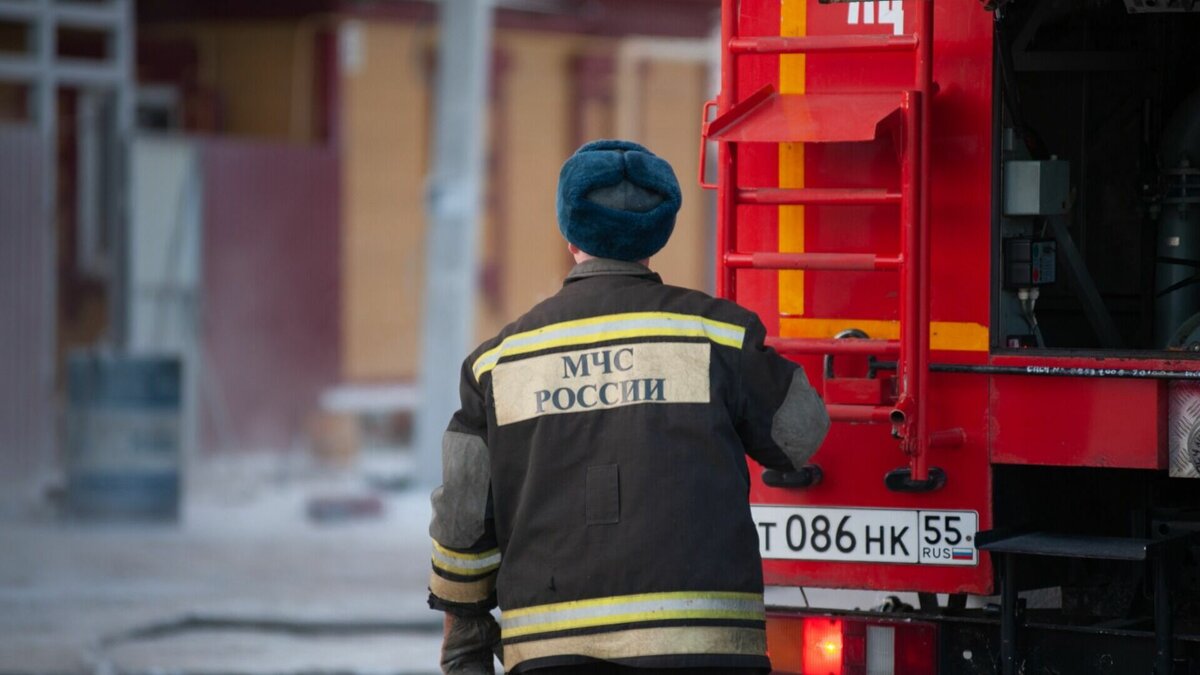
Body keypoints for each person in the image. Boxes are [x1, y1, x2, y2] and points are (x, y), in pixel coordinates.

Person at [427, 139, 830, 675]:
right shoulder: (719, 337)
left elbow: (462, 520)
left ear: (570, 234)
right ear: (658, 234)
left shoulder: (496, 364)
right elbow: (802, 435)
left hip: (552, 654)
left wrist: (466, 631)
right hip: (703, 651)